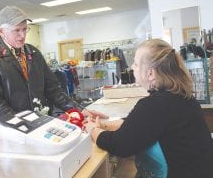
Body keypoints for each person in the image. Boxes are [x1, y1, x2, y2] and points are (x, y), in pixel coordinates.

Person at [85, 39, 213, 177]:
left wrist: (93, 130)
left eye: (136, 63)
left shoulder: (156, 104)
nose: (132, 67)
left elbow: (120, 145)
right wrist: (104, 124)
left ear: (151, 73)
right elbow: (140, 126)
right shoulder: (179, 96)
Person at [0, 5, 106, 120]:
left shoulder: (32, 52)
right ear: (1, 31)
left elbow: (53, 90)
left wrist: (80, 110)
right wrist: (20, 126)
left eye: (24, 29)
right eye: (17, 30)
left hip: (42, 120)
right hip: (15, 130)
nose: (22, 35)